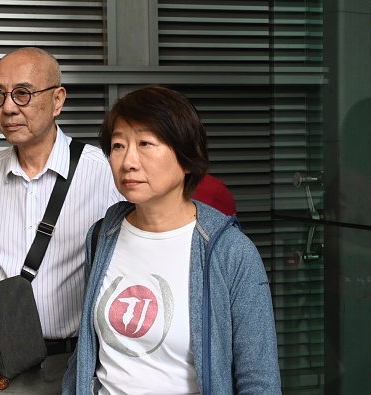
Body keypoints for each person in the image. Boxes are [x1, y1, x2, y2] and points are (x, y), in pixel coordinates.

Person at [63, 86, 281, 394]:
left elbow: (259, 380)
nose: (128, 162)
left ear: (187, 158)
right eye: (118, 146)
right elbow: (88, 351)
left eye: (146, 144)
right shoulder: (102, 236)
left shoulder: (231, 253)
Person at [0, 47, 122, 394]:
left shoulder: (102, 172)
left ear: (57, 99)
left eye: (22, 93)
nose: (7, 107)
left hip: (71, 365)